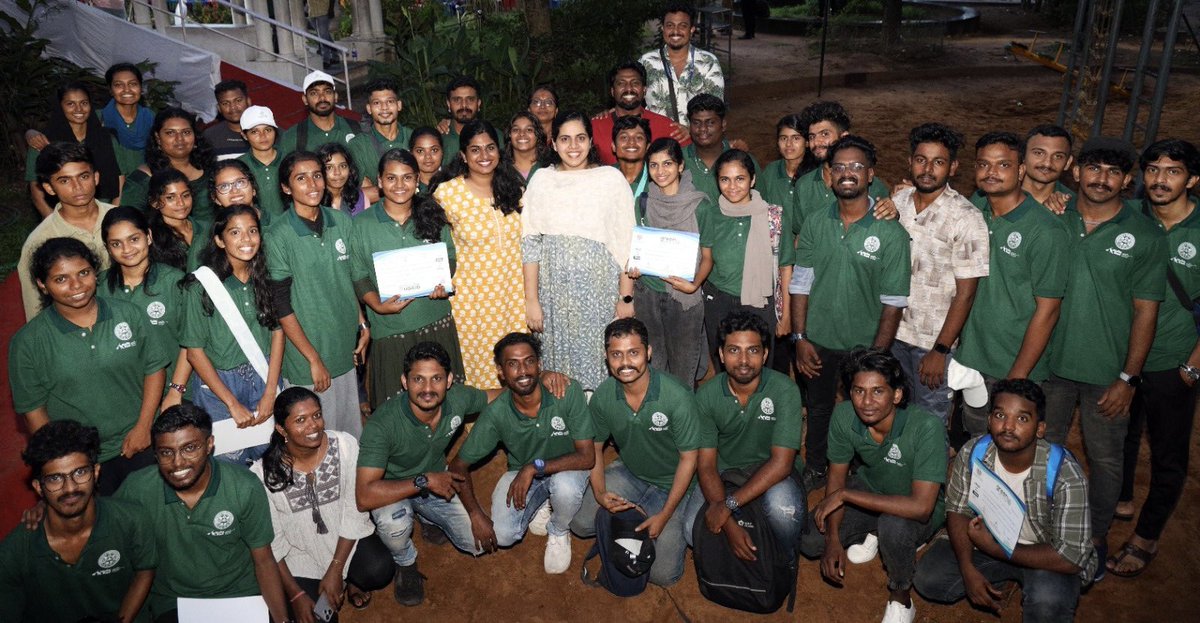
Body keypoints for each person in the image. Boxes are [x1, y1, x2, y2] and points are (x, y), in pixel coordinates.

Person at [1042, 137, 1166, 574]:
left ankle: (1092, 538)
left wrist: (1128, 378)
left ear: (1127, 180)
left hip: (1106, 373)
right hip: (1048, 365)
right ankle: (1041, 525)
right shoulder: (1053, 215)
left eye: (1114, 172)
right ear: (1076, 172)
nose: (1102, 179)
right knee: (1045, 449)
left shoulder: (1145, 234)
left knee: (1106, 459)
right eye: (1094, 168)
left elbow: (1146, 312)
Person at [914, 379, 1097, 620]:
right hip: (987, 542)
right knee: (928, 579)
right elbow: (957, 511)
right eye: (1000, 415)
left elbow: (1071, 557)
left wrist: (996, 549)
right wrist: (967, 569)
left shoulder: (1065, 475)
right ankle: (1002, 576)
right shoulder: (973, 452)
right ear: (989, 420)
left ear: (1040, 428)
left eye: (1022, 418)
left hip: (1042, 555)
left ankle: (1023, 581)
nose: (1008, 427)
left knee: (1048, 604)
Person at [790, 135, 911, 492]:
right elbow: (800, 284)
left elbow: (893, 302)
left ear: (871, 174)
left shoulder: (890, 232)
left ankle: (860, 472)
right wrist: (800, 338)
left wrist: (876, 357)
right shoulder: (815, 223)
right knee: (819, 408)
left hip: (865, 345)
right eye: (839, 167)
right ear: (829, 175)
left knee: (864, 410)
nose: (847, 173)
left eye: (857, 166)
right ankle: (816, 467)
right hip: (818, 340)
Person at [10, 237, 169, 494]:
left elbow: (154, 368)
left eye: (83, 273)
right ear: (42, 285)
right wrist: (68, 464)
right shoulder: (28, 342)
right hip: (80, 463)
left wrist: (143, 427)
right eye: (61, 279)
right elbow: (34, 412)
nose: (76, 285)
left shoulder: (128, 314)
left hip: (141, 443)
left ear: (95, 273)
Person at [799, 349, 947, 623]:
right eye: (859, 391)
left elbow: (921, 507)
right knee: (810, 540)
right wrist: (833, 538)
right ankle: (875, 532)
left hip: (915, 505)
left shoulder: (926, 427)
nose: (866, 402)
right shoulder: (844, 416)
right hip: (872, 488)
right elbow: (836, 479)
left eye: (878, 391)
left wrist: (845, 495)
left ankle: (901, 597)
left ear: (897, 394)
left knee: (894, 526)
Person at [1110, 139, 1200, 577]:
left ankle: (1146, 537)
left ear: (1192, 179)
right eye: (1153, 170)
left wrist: (1193, 365)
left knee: (1167, 453)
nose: (1160, 180)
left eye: (1173, 171)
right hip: (1122, 357)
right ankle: (1122, 499)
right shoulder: (1127, 214)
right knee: (1122, 435)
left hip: (1172, 361)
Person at [115, 405, 290, 623]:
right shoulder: (138, 489)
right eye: (166, 452)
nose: (178, 463)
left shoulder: (243, 486)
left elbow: (264, 561)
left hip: (239, 597)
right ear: (155, 454)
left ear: (209, 445)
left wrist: (282, 620)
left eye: (189, 448)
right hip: (174, 603)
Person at [356, 342, 492, 606]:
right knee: (394, 526)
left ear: (449, 381)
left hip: (434, 481)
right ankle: (405, 562)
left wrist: (542, 379)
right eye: (418, 379)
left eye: (436, 379)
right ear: (404, 381)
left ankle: (427, 517)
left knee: (475, 544)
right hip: (392, 490)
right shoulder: (382, 424)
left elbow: (498, 396)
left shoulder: (458, 398)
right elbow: (364, 496)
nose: (428, 389)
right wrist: (424, 481)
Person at [570, 318, 702, 587]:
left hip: (676, 483)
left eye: (633, 352)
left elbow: (689, 459)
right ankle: (633, 516)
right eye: (616, 354)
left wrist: (665, 515)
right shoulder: (604, 396)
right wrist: (600, 493)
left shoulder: (677, 396)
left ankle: (639, 516)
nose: (625, 363)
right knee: (580, 524)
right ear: (607, 357)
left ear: (648, 352)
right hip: (631, 472)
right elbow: (595, 447)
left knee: (663, 575)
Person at [449, 333, 594, 575]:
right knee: (504, 535)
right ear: (501, 371)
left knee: (565, 487)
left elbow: (587, 457)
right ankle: (541, 501)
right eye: (513, 364)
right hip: (523, 473)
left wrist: (533, 467)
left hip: (568, 468)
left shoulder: (566, 391)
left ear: (539, 364)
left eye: (529, 361)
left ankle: (559, 529)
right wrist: (475, 514)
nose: (523, 371)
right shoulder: (496, 413)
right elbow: (458, 465)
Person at [955, 132, 1070, 437]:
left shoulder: (1046, 231)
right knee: (976, 438)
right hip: (971, 358)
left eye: (1003, 165)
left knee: (1012, 446)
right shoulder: (973, 210)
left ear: (1020, 170)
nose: (991, 172)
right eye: (983, 164)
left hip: (1012, 365)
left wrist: (1018, 376)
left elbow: (1049, 310)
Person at [251, 387, 393, 620]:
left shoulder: (345, 446)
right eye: (300, 420)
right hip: (301, 558)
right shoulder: (263, 475)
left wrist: (336, 570)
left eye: (317, 415)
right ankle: (338, 582)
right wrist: (296, 594)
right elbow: (272, 542)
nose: (313, 426)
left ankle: (350, 579)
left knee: (379, 569)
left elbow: (354, 510)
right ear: (282, 429)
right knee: (317, 617)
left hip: (345, 541)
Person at [522, 111, 637, 390]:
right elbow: (530, 243)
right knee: (558, 370)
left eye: (580, 138)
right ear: (553, 143)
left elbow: (627, 242)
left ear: (591, 141)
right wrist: (532, 300)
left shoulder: (611, 179)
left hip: (599, 294)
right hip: (554, 297)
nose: (573, 146)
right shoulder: (541, 181)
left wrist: (625, 297)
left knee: (599, 361)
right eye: (565, 139)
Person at [0, 420, 157, 623]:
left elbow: (145, 571)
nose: (70, 488)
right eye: (55, 478)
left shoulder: (131, 521)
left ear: (96, 472)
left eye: (80, 472)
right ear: (39, 487)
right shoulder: (15, 552)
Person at [682, 311, 806, 567]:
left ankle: (784, 562)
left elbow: (782, 464)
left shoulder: (785, 390)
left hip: (772, 472)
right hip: (726, 473)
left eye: (753, 350)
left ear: (765, 354)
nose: (743, 360)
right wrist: (727, 523)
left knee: (783, 512)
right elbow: (706, 465)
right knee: (690, 530)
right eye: (734, 350)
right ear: (721, 354)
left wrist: (728, 506)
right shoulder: (706, 396)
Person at [891, 123, 989, 426]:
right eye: (921, 160)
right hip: (891, 333)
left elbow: (966, 294)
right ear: (910, 162)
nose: (928, 169)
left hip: (931, 344)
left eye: (938, 162)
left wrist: (940, 351)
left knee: (930, 424)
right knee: (896, 416)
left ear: (953, 167)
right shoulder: (897, 204)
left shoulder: (967, 218)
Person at [266, 151, 369, 438]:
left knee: (349, 435)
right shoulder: (278, 235)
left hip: (343, 346)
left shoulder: (340, 221)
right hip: (309, 354)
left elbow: (348, 278)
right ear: (286, 188)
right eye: (301, 178)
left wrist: (362, 324)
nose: (312, 184)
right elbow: (281, 305)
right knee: (315, 436)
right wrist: (313, 359)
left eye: (317, 175)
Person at [352, 149, 463, 409]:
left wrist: (441, 281)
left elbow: (449, 256)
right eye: (391, 178)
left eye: (407, 177)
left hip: (435, 321)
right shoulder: (362, 224)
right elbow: (358, 274)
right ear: (379, 181)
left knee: (443, 406)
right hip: (391, 329)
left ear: (417, 180)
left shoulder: (433, 212)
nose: (399, 185)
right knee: (396, 410)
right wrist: (377, 306)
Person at [181, 205, 284, 464]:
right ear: (219, 240)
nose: (246, 239)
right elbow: (194, 352)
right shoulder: (200, 286)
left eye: (252, 231)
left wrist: (270, 392)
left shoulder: (264, 277)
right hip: (219, 386)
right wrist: (231, 404)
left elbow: (277, 333)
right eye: (235, 232)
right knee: (229, 465)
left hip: (263, 376)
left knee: (271, 460)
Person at [431, 120, 528, 390]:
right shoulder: (447, 194)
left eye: (490, 148)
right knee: (480, 375)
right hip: (472, 304)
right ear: (463, 155)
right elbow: (432, 243)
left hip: (514, 299)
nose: (484, 155)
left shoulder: (516, 189)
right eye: (475, 149)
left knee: (516, 368)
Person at [630, 137, 711, 385]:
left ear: (680, 166)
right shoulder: (643, 202)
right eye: (654, 165)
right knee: (653, 372)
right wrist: (635, 265)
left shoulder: (700, 206)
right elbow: (638, 245)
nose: (660, 171)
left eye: (667, 164)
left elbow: (708, 257)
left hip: (683, 297)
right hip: (647, 294)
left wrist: (694, 285)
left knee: (683, 374)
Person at [699, 148, 790, 366]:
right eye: (725, 179)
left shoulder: (774, 217)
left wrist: (785, 315)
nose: (732, 186)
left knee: (759, 363)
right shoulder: (710, 214)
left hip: (761, 302)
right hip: (719, 301)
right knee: (724, 362)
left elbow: (786, 268)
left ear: (753, 180)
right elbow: (703, 258)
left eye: (740, 178)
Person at [99, 207, 191, 414]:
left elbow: (191, 341)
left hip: (175, 393)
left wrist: (176, 391)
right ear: (107, 248)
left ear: (148, 236)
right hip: (126, 397)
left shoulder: (174, 281)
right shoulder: (99, 288)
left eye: (134, 239)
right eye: (116, 244)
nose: (127, 249)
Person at [18, 142, 115, 321]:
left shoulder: (122, 221)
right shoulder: (40, 240)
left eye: (83, 176)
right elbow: (36, 309)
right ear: (49, 188)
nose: (77, 187)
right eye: (64, 180)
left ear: (96, 177)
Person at [24, 63, 152, 181]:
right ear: (110, 90)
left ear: (141, 88)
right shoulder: (95, 117)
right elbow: (58, 129)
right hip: (110, 185)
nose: (126, 89)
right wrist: (30, 133)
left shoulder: (152, 118)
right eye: (118, 85)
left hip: (143, 184)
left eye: (133, 84)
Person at [25, 81, 123, 217]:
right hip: (62, 215)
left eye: (84, 103)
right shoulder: (43, 142)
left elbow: (120, 179)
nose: (79, 109)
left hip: (103, 212)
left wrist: (112, 217)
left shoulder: (106, 138)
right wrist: (56, 224)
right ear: (60, 106)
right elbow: (37, 193)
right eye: (70, 104)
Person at [790, 101, 891, 230]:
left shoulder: (870, 185)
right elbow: (800, 234)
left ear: (844, 136)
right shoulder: (804, 186)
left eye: (825, 134)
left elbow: (886, 228)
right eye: (812, 137)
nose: (817, 142)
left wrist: (893, 210)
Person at [122, 107, 216, 222]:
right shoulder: (143, 179)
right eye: (170, 133)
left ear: (195, 136)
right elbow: (126, 222)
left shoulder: (211, 171)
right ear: (158, 138)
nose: (179, 139)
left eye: (186, 132)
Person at [639, 3, 725, 128]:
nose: (675, 31)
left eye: (683, 26)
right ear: (662, 28)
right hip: (657, 138)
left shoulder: (708, 62)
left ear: (692, 29)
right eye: (670, 25)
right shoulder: (646, 62)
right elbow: (632, 98)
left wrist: (690, 131)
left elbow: (717, 109)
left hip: (697, 138)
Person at [591, 61, 685, 166]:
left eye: (635, 83)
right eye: (621, 83)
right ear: (612, 91)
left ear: (644, 90)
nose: (629, 88)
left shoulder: (666, 127)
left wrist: (691, 131)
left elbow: (691, 161)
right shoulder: (596, 127)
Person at [680, 94, 755, 203]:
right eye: (696, 123)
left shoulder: (743, 160)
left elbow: (761, 203)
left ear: (723, 124)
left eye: (710, 122)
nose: (703, 129)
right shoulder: (677, 161)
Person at [348, 78, 410, 196]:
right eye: (377, 103)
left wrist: (377, 189)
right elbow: (361, 195)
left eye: (390, 101)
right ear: (369, 109)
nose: (384, 107)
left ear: (399, 105)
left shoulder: (414, 138)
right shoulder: (358, 145)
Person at [278, 70, 357, 155]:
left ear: (335, 96)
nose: (322, 98)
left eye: (327, 92)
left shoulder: (355, 129)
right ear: (305, 99)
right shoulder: (292, 137)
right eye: (314, 93)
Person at [146, 168, 207, 272]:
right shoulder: (151, 239)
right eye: (170, 198)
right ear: (155, 202)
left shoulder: (207, 228)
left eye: (185, 195)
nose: (181, 203)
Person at [238, 105, 288, 222]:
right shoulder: (238, 167)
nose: (263, 136)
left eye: (268, 130)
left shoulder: (291, 160)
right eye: (254, 131)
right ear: (244, 135)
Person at [439, 75, 505, 165]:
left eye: (470, 99)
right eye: (457, 100)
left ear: (478, 103)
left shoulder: (496, 136)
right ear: (448, 104)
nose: (464, 105)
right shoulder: (440, 139)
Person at [204, 79, 252, 161]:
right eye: (225, 103)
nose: (233, 107)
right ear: (219, 108)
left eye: (238, 100)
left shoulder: (267, 132)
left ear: (248, 101)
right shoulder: (209, 136)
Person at [317, 142, 368, 216]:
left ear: (350, 169)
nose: (337, 172)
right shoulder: (314, 201)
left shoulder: (360, 199)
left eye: (343, 166)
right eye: (329, 167)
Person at [611, 115, 651, 194]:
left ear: (647, 147)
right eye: (624, 137)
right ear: (614, 146)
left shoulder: (658, 178)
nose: (631, 142)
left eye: (639, 137)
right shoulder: (603, 177)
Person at [506, 111, 547, 181]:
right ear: (509, 134)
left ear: (538, 134)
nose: (522, 133)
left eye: (529, 130)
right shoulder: (500, 170)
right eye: (516, 130)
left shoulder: (550, 168)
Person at [409, 126, 445, 193]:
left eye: (434, 150)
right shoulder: (405, 187)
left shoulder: (453, 184)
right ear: (411, 153)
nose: (428, 156)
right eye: (420, 151)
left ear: (442, 151)